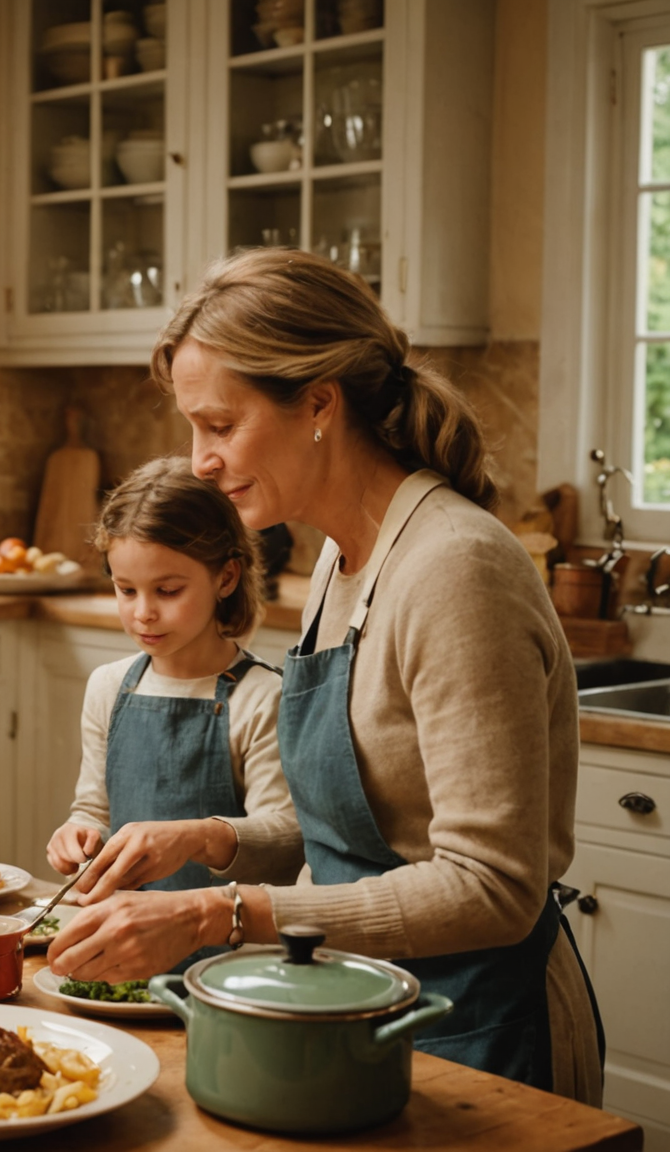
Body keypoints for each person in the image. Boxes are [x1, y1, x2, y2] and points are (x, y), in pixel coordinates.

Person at [46, 248, 604, 1102]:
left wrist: (218, 911)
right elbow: (347, 844)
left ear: (317, 404)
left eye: (220, 426)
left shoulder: (454, 569)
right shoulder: (343, 568)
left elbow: (493, 888)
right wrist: (203, 840)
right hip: (355, 1011)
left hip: (478, 1025)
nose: (199, 460)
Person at [44, 456, 299, 969]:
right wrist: (76, 835)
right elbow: (94, 810)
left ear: (226, 577)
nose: (143, 612)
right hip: (122, 958)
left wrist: (196, 838)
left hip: (228, 965)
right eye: (125, 590)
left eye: (168, 591)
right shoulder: (109, 687)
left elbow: (285, 842)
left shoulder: (261, 697)